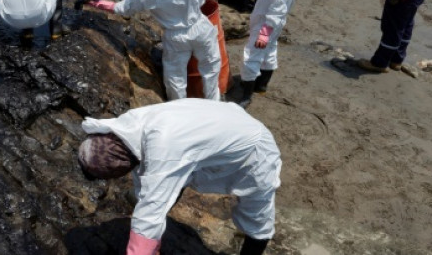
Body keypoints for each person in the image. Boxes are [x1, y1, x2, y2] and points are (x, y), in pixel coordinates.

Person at [77, 99, 281, 255]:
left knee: (256, 214)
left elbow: (150, 212)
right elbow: (145, 170)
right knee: (162, 187)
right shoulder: (126, 128)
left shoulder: (164, 148)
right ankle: (154, 242)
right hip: (218, 122)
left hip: (253, 148)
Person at [88, 0, 222, 101]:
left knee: (175, 79)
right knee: (211, 69)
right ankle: (215, 106)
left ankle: (180, 111)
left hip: (176, 37)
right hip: (201, 27)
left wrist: (95, 2)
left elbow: (121, 8)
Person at [239, 0, 299, 108]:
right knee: (269, 50)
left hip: (268, 23)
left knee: (251, 55)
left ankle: (246, 96)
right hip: (272, 22)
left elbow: (278, 7)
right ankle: (261, 85)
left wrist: (265, 31)